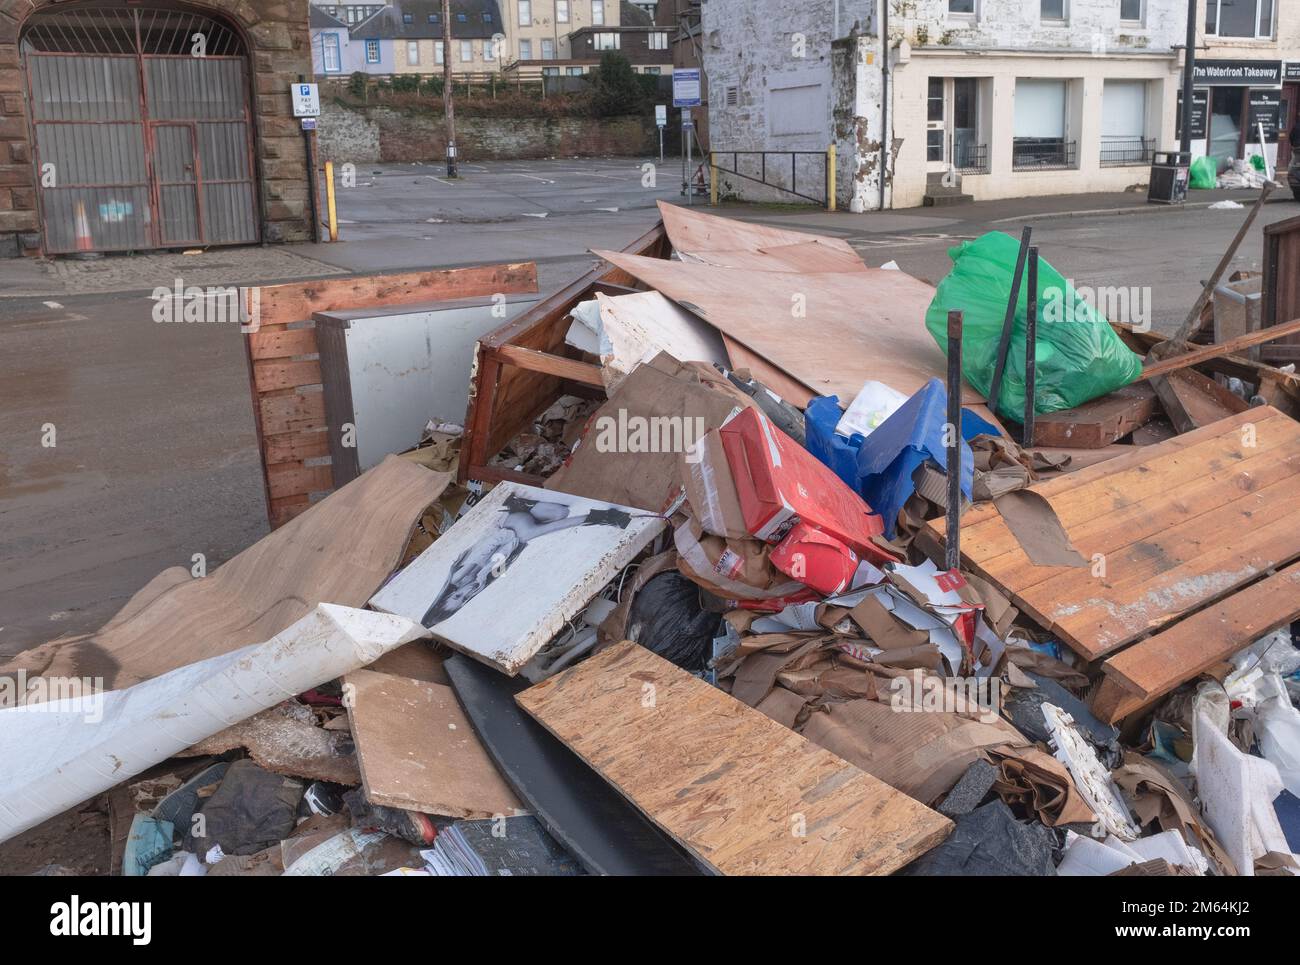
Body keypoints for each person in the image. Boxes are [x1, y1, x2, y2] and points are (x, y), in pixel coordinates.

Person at [420, 493, 632, 628]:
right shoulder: (481, 584)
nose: (464, 593)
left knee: (530, 533)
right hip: (520, 532)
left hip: (507, 527)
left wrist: (513, 537)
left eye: (456, 595)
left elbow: (489, 545)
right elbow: (506, 557)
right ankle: (525, 505)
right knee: (559, 512)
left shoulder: (460, 576)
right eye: (463, 599)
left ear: (447, 594)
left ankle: (600, 518)